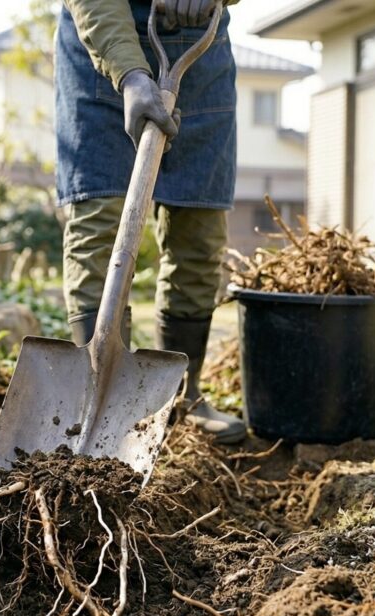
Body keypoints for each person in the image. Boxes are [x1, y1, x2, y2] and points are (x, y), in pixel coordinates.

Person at [56, 0, 245, 443]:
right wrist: (129, 74)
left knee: (198, 225)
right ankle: (102, 395)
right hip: (100, 49)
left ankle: (181, 394)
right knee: (98, 215)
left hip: (200, 45)